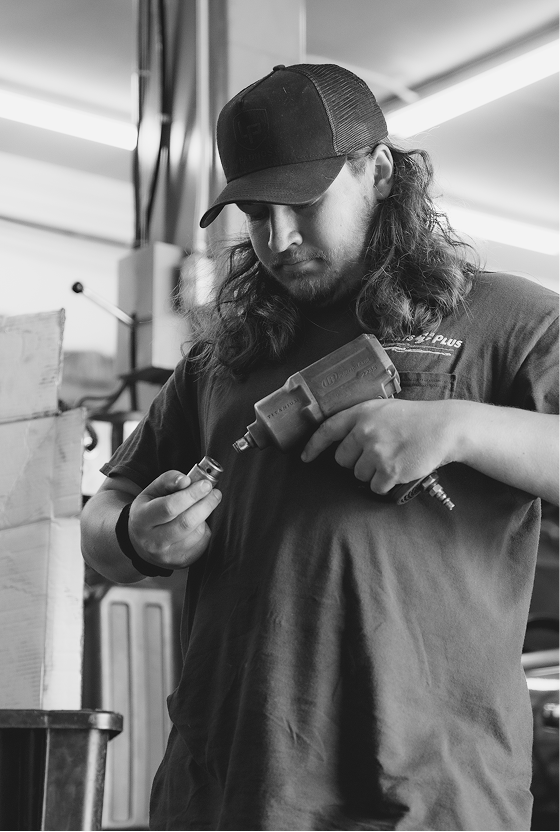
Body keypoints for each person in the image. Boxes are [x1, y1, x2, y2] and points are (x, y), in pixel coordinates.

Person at [81, 63, 560, 831]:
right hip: (230, 788)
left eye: (302, 206)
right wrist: (134, 532)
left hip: (428, 796)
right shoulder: (220, 358)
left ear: (377, 171)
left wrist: (461, 428)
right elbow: (104, 517)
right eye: (257, 215)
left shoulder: (509, 319)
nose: (279, 239)